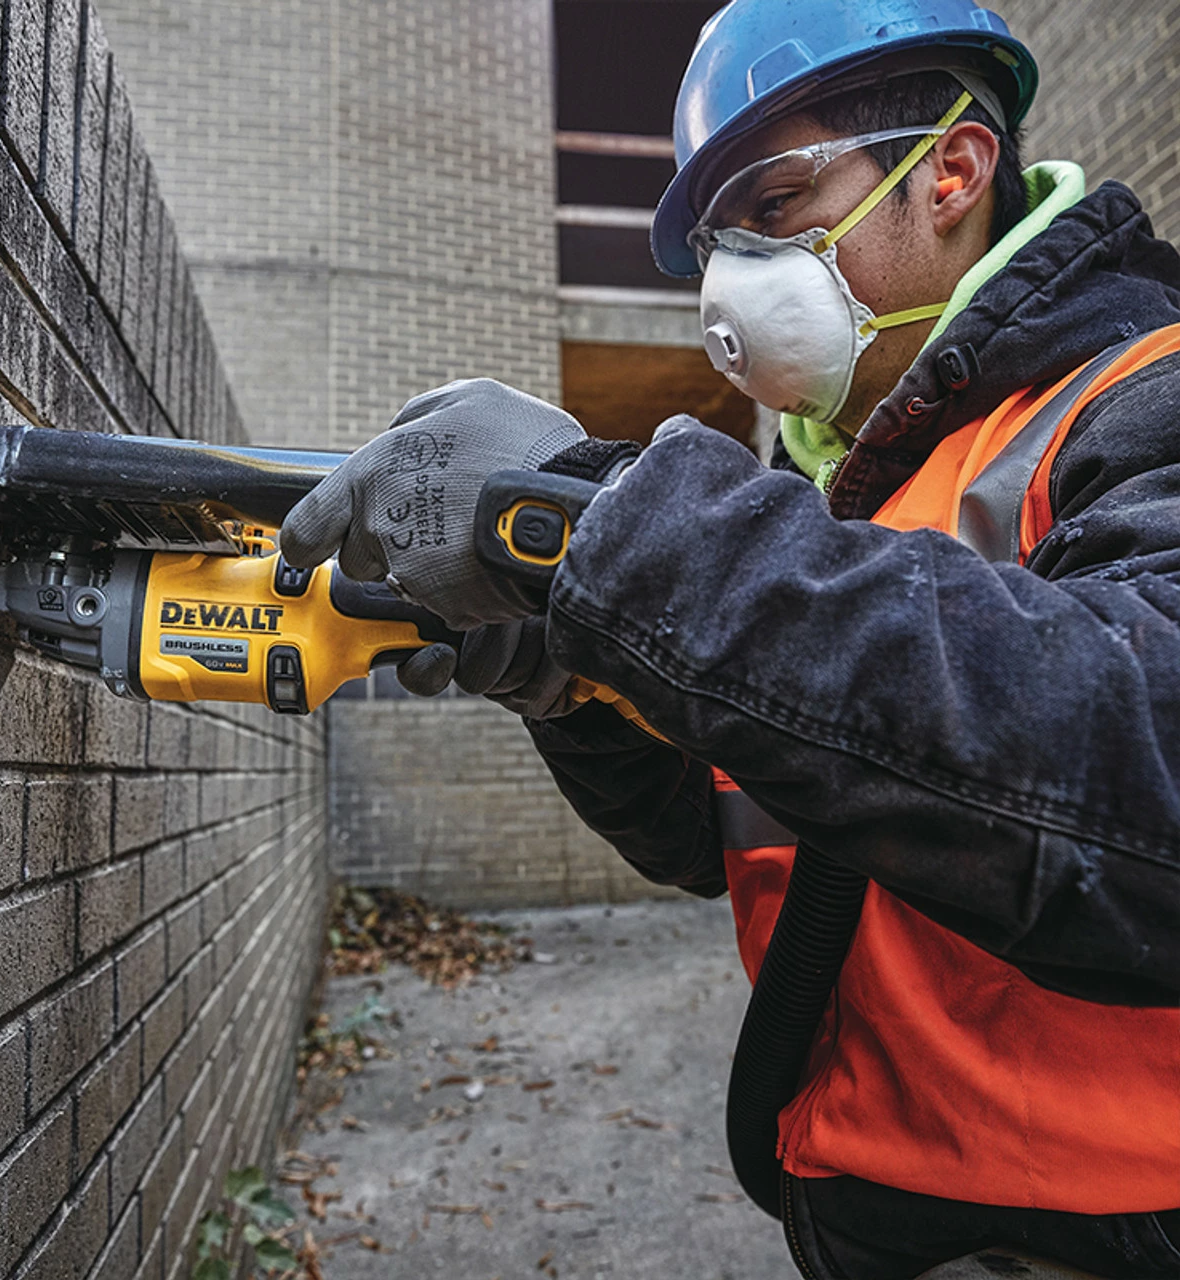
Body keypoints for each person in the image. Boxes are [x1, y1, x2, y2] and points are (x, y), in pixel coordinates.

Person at [280, 2, 1180, 1275]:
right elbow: (727, 841)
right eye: (714, 240)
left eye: (773, 203)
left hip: (1103, 1221)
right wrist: (573, 685)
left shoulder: (1142, 392)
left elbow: (1143, 771)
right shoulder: (839, 488)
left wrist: (609, 526)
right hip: (870, 1204)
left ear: (951, 171)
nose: (728, 279)